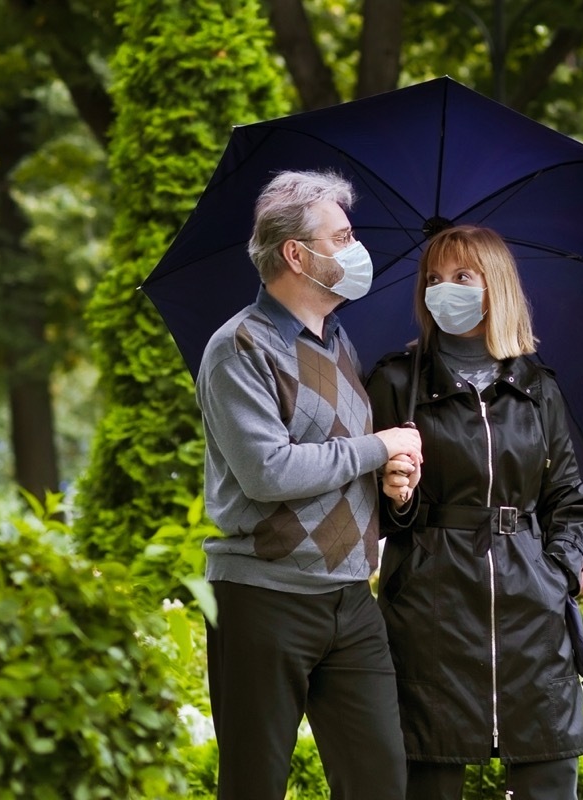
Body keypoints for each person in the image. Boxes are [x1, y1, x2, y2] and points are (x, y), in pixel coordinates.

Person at [195, 169, 422, 799]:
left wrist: (390, 482)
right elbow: (268, 471)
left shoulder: (340, 342)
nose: (356, 249)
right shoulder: (240, 347)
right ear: (297, 254)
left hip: (350, 598)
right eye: (342, 236)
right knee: (254, 783)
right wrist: (377, 446)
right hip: (263, 599)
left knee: (379, 780)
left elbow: (337, 463)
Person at [365, 225, 583, 800]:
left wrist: (556, 575)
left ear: (494, 285)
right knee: (430, 780)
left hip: (533, 613)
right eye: (433, 279)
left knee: (549, 779)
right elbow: (361, 505)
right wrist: (396, 497)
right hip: (429, 612)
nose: (442, 290)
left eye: (461, 277)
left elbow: (576, 502)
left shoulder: (538, 387)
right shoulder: (394, 382)